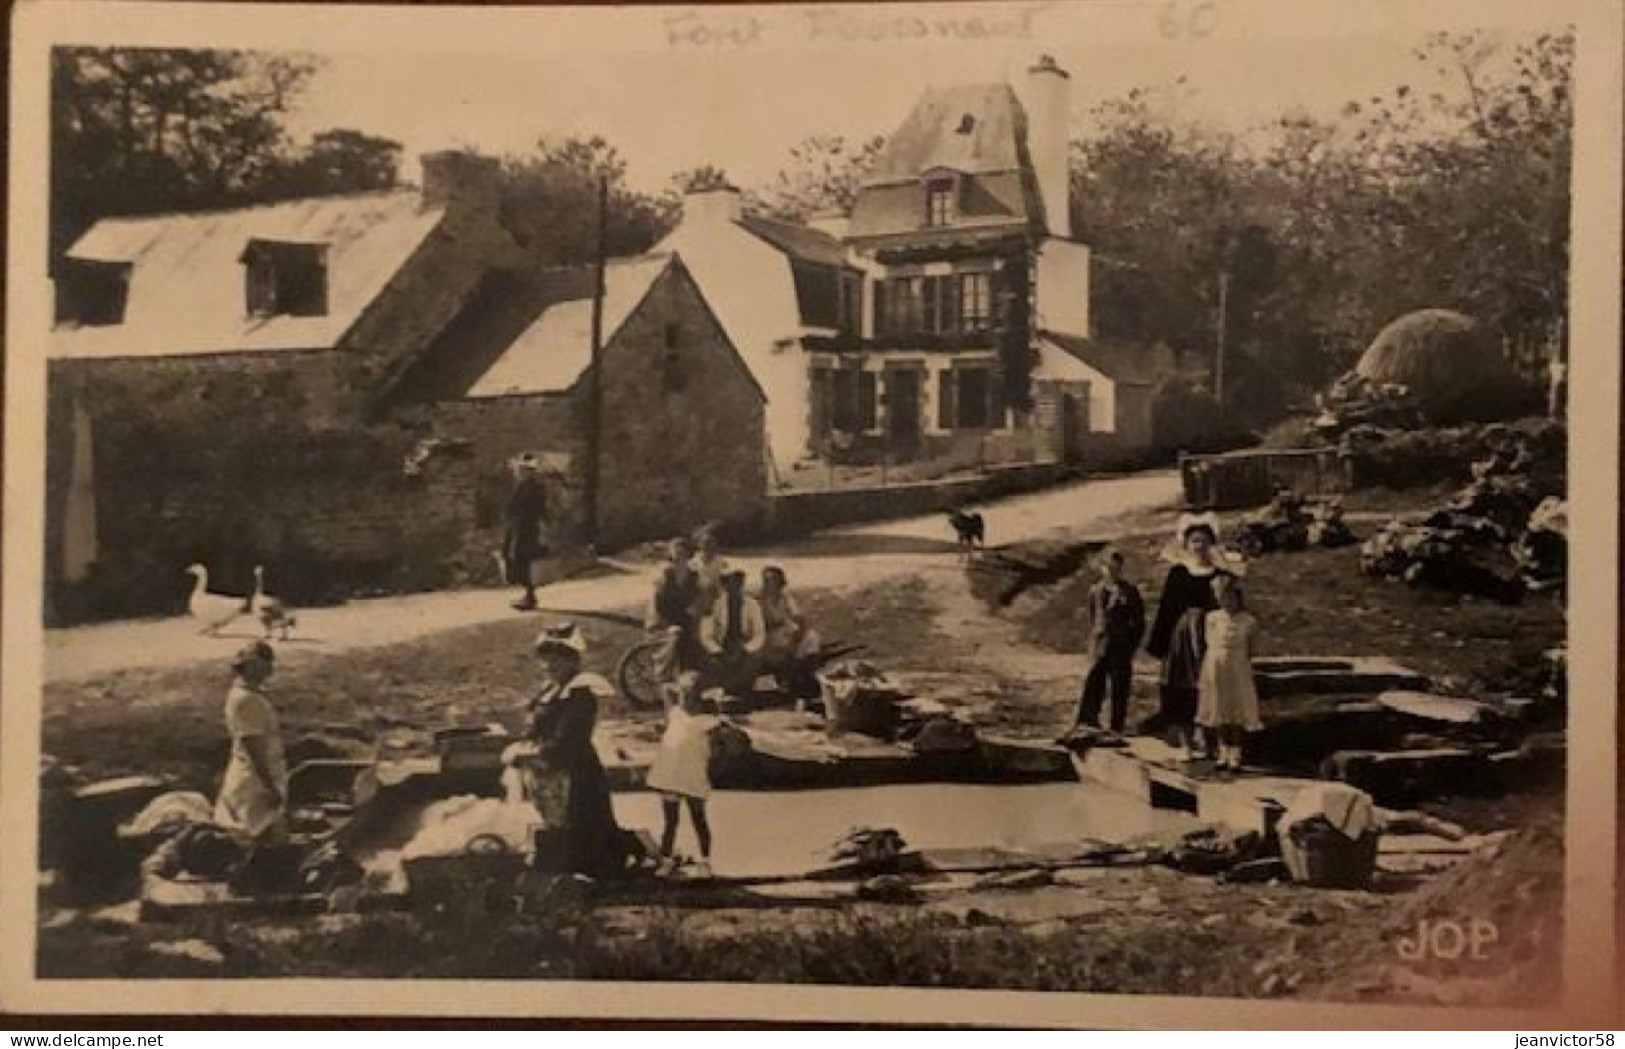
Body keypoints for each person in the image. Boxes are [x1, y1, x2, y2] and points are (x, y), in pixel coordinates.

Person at [512, 623, 624, 878]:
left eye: (558, 661)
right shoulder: (550, 688)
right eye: (547, 660)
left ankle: (591, 875)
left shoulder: (580, 692)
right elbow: (538, 721)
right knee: (553, 821)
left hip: (575, 768)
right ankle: (561, 870)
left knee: (580, 821)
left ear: (573, 661)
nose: (551, 666)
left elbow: (571, 736)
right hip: (551, 768)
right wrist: (526, 739)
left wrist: (540, 752)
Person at [1146, 512, 1236, 761]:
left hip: (1211, 637)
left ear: (1211, 543)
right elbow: (1167, 609)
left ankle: (1211, 743)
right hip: (1183, 639)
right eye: (1194, 541)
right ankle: (1186, 743)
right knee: (1182, 688)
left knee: (1211, 689)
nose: (1199, 546)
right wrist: (1159, 644)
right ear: (1186, 545)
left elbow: (1232, 606)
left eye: (1203, 541)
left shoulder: (1220, 575)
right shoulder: (1179, 572)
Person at [645, 671, 721, 878]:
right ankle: (667, 859)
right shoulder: (675, 713)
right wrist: (678, 686)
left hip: (692, 776)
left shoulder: (709, 721)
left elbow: (716, 748)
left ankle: (705, 861)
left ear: (700, 696)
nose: (686, 698)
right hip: (670, 775)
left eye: (692, 694)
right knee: (670, 821)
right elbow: (666, 689)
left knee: (699, 819)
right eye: (684, 693)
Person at [214, 641, 288, 843]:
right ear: (247, 666)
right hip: (254, 781)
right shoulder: (247, 700)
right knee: (257, 835)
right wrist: (269, 786)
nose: (269, 667)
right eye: (262, 662)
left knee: (256, 834)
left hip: (255, 773)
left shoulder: (248, 694)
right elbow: (253, 747)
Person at [1071, 549, 1146, 735]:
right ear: (1102, 568)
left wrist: (1130, 644)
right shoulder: (1095, 591)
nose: (1112, 572)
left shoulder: (1129, 591)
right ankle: (1088, 721)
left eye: (1116, 568)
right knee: (1094, 682)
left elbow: (1139, 621)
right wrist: (1097, 636)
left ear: (1121, 569)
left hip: (1121, 645)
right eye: (1108, 568)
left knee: (1120, 686)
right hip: (1100, 644)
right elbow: (1093, 615)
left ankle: (1116, 727)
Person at [1196, 577, 1263, 772]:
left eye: (1230, 597)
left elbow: (1252, 648)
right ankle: (1222, 750)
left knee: (1236, 709)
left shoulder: (1249, 621)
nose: (1227, 602)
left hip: (1237, 667)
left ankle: (1236, 752)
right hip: (1216, 665)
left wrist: (1241, 660)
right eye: (1222, 598)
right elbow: (1209, 642)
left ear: (1238, 598)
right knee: (1219, 708)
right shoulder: (1212, 618)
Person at [699, 570, 765, 695]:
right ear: (724, 586)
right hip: (722, 646)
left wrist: (745, 649)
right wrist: (717, 651)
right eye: (730, 583)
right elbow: (706, 635)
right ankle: (727, 689)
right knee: (712, 664)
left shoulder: (752, 604)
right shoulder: (715, 604)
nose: (734, 587)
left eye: (738, 582)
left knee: (751, 663)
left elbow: (759, 634)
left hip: (743, 646)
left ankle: (738, 690)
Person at [646, 535, 703, 681]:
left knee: (695, 639)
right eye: (676, 552)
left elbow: (696, 597)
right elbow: (659, 602)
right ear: (671, 554)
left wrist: (694, 609)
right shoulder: (665, 574)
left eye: (683, 552)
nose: (679, 556)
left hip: (685, 616)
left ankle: (688, 674)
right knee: (676, 637)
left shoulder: (693, 575)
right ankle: (663, 674)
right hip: (665, 617)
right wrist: (668, 624)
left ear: (688, 555)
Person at [503, 454, 549, 611]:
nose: (520, 472)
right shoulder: (524, 486)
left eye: (523, 470)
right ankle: (528, 595)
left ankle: (530, 597)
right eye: (520, 470)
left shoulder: (534, 488)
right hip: (521, 529)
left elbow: (538, 510)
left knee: (526, 562)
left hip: (528, 529)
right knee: (520, 561)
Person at [692, 529, 730, 616]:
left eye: (710, 543)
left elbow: (724, 582)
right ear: (700, 545)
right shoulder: (693, 562)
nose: (708, 547)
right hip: (698, 594)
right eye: (705, 543)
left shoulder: (722, 562)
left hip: (716, 593)